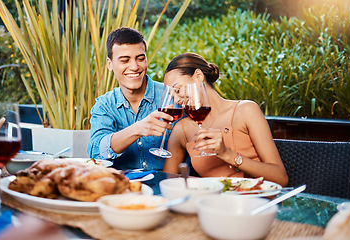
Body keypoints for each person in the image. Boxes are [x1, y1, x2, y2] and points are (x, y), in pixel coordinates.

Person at [163, 52, 288, 187]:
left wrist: (227, 154)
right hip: (212, 204)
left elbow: (281, 178)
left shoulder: (246, 110)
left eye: (177, 90)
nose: (176, 100)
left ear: (198, 76)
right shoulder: (181, 130)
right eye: (171, 95)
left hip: (255, 201)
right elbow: (167, 184)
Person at [87, 27, 173, 170]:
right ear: (110, 64)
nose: (134, 67)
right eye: (125, 60)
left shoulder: (171, 96)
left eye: (140, 59)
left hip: (168, 186)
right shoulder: (104, 105)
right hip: (124, 188)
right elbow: (96, 152)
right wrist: (137, 129)